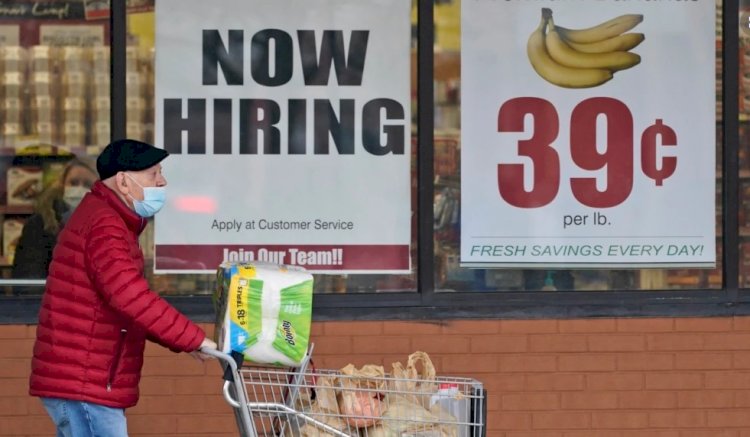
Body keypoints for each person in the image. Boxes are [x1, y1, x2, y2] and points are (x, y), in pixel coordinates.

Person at [29, 139, 217, 437]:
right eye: (154, 174)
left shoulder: (105, 218)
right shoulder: (106, 225)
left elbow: (126, 304)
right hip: (85, 381)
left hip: (84, 378)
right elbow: (131, 296)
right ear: (124, 182)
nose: (162, 181)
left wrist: (185, 341)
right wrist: (194, 338)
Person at [12, 157, 98, 280]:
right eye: (73, 183)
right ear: (62, 186)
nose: (79, 189)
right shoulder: (39, 225)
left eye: (88, 184)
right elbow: (28, 278)